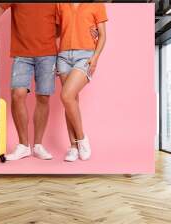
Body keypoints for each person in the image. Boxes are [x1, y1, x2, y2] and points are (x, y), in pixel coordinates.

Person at [0, 3, 58, 160]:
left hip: (48, 54)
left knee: (43, 96)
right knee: (17, 94)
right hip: (22, 54)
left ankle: (38, 145)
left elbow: (62, 24)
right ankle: (23, 146)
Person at [56, 3, 107, 162]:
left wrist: (95, 58)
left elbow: (103, 35)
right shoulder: (60, 4)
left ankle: (82, 138)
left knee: (66, 95)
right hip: (63, 56)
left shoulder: (97, 5)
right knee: (70, 101)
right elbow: (56, 32)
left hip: (85, 55)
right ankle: (73, 147)